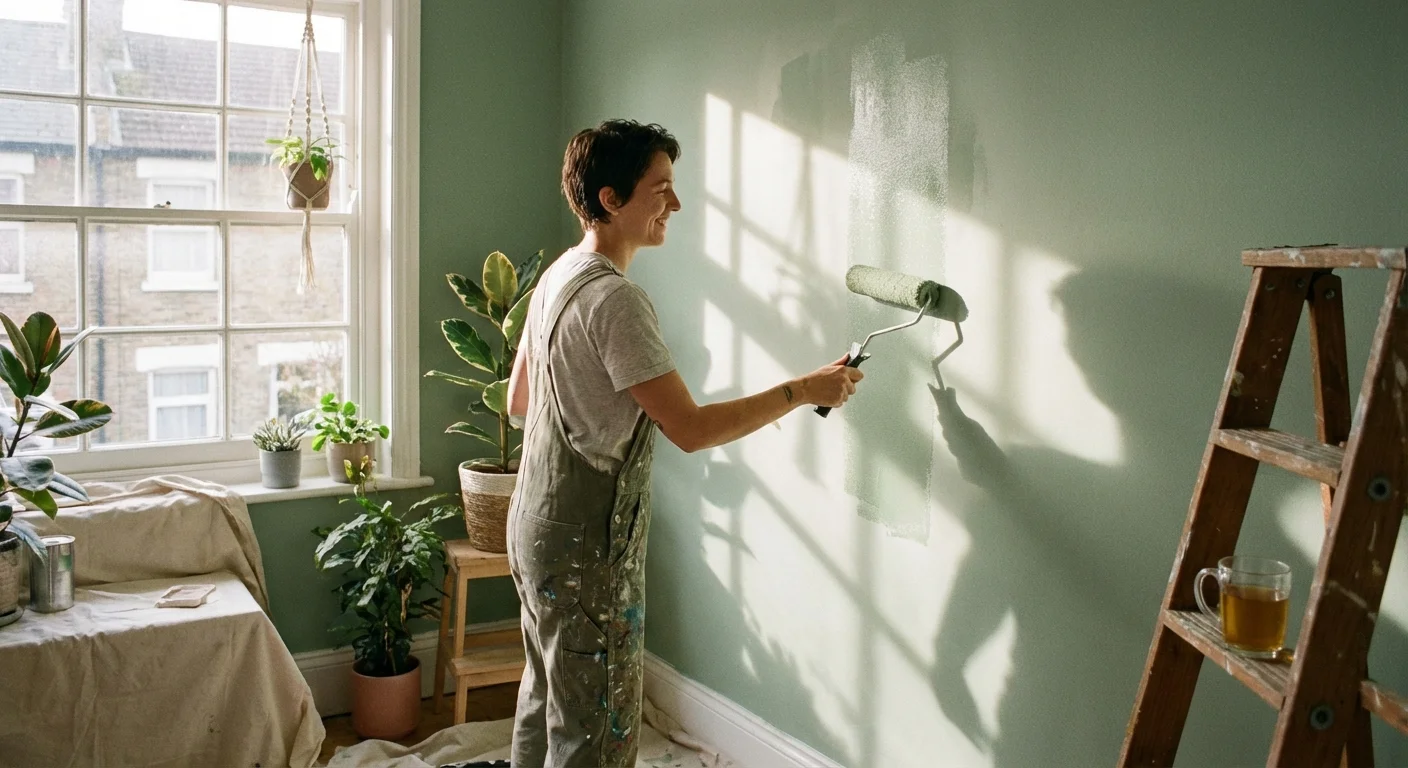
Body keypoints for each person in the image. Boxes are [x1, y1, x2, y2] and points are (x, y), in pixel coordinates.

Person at [505, 119, 864, 767]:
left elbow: (518, 404)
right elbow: (691, 431)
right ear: (612, 199)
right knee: (597, 727)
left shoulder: (560, 275)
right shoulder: (617, 301)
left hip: (534, 528)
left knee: (550, 697)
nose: (675, 204)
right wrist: (806, 389)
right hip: (586, 551)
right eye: (660, 189)